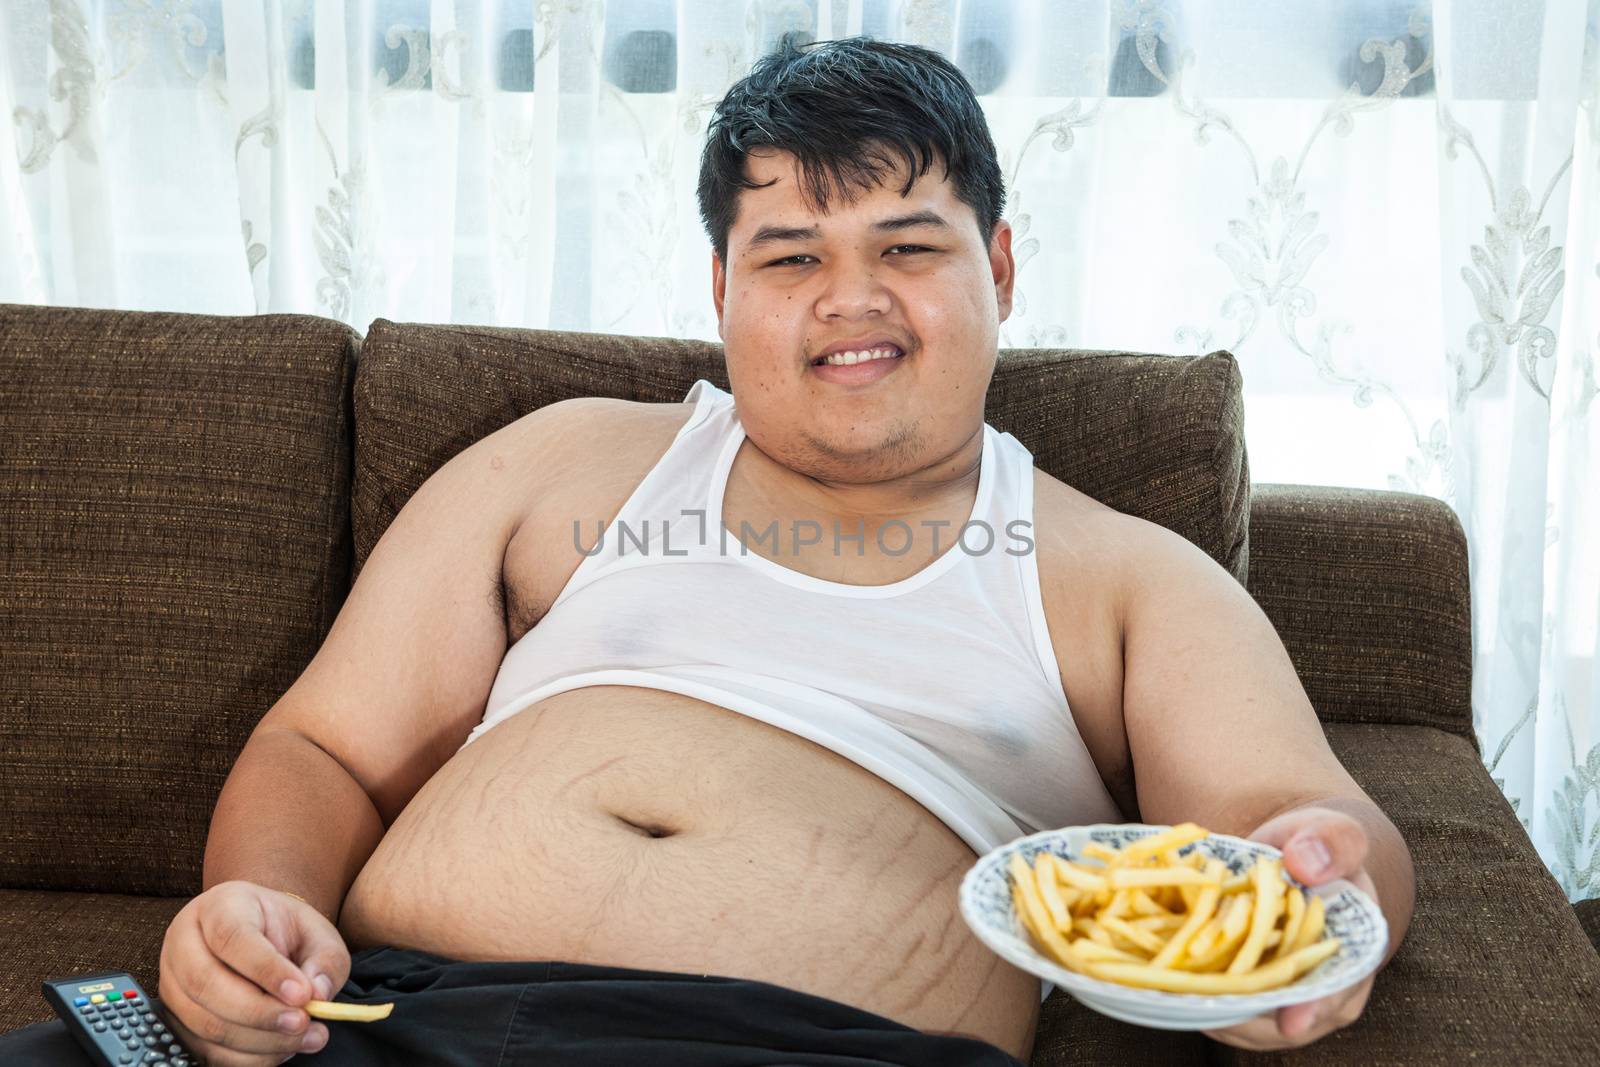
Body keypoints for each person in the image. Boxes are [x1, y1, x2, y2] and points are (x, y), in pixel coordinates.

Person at [2, 33, 1413, 1067]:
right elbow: (324, 750)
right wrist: (254, 913)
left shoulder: (1129, 580)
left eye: (907, 247)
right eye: (791, 255)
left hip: (821, 1053)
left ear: (997, 268)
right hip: (396, 1023)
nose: (849, 302)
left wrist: (1324, 893)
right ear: (721, 289)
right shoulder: (568, 462)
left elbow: (1301, 823)